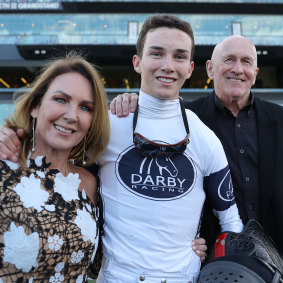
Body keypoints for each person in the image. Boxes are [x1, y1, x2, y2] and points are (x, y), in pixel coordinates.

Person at [0, 15, 243, 282]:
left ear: (190, 67)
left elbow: (231, 224)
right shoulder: (107, 126)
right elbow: (51, 149)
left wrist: (211, 258)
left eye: (179, 57)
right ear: (137, 62)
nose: (167, 65)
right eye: (157, 53)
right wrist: (10, 136)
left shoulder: (205, 138)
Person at [110, 35, 283, 256]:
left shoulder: (279, 120)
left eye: (246, 62)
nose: (238, 69)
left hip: (276, 258)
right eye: (229, 60)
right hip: (209, 260)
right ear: (209, 69)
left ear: (255, 73)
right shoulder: (185, 120)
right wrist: (128, 100)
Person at [0, 53, 110, 282]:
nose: (71, 116)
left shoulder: (90, 184)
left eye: (85, 107)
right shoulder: (4, 166)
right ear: (35, 106)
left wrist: (196, 244)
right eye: (61, 99)